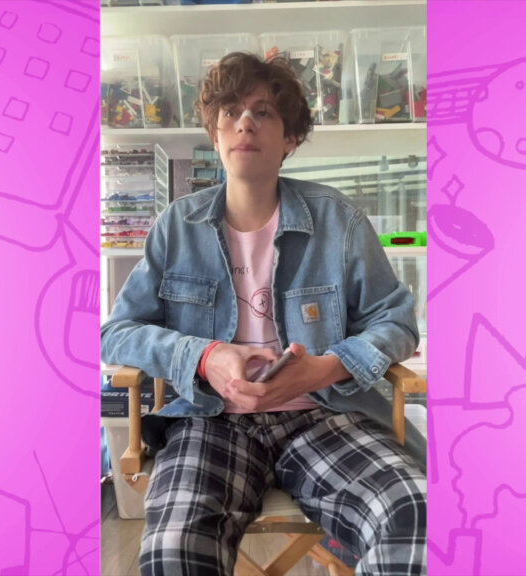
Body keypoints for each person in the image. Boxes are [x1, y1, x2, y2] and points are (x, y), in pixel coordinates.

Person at [101, 51, 426, 576]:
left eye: (263, 112)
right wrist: (204, 356)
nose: (244, 122)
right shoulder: (176, 226)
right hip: (209, 421)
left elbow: (397, 320)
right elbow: (117, 333)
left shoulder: (338, 220)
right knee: (173, 552)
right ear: (215, 134)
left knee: (415, 513)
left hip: (323, 414)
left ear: (290, 138)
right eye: (230, 112)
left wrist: (328, 367)